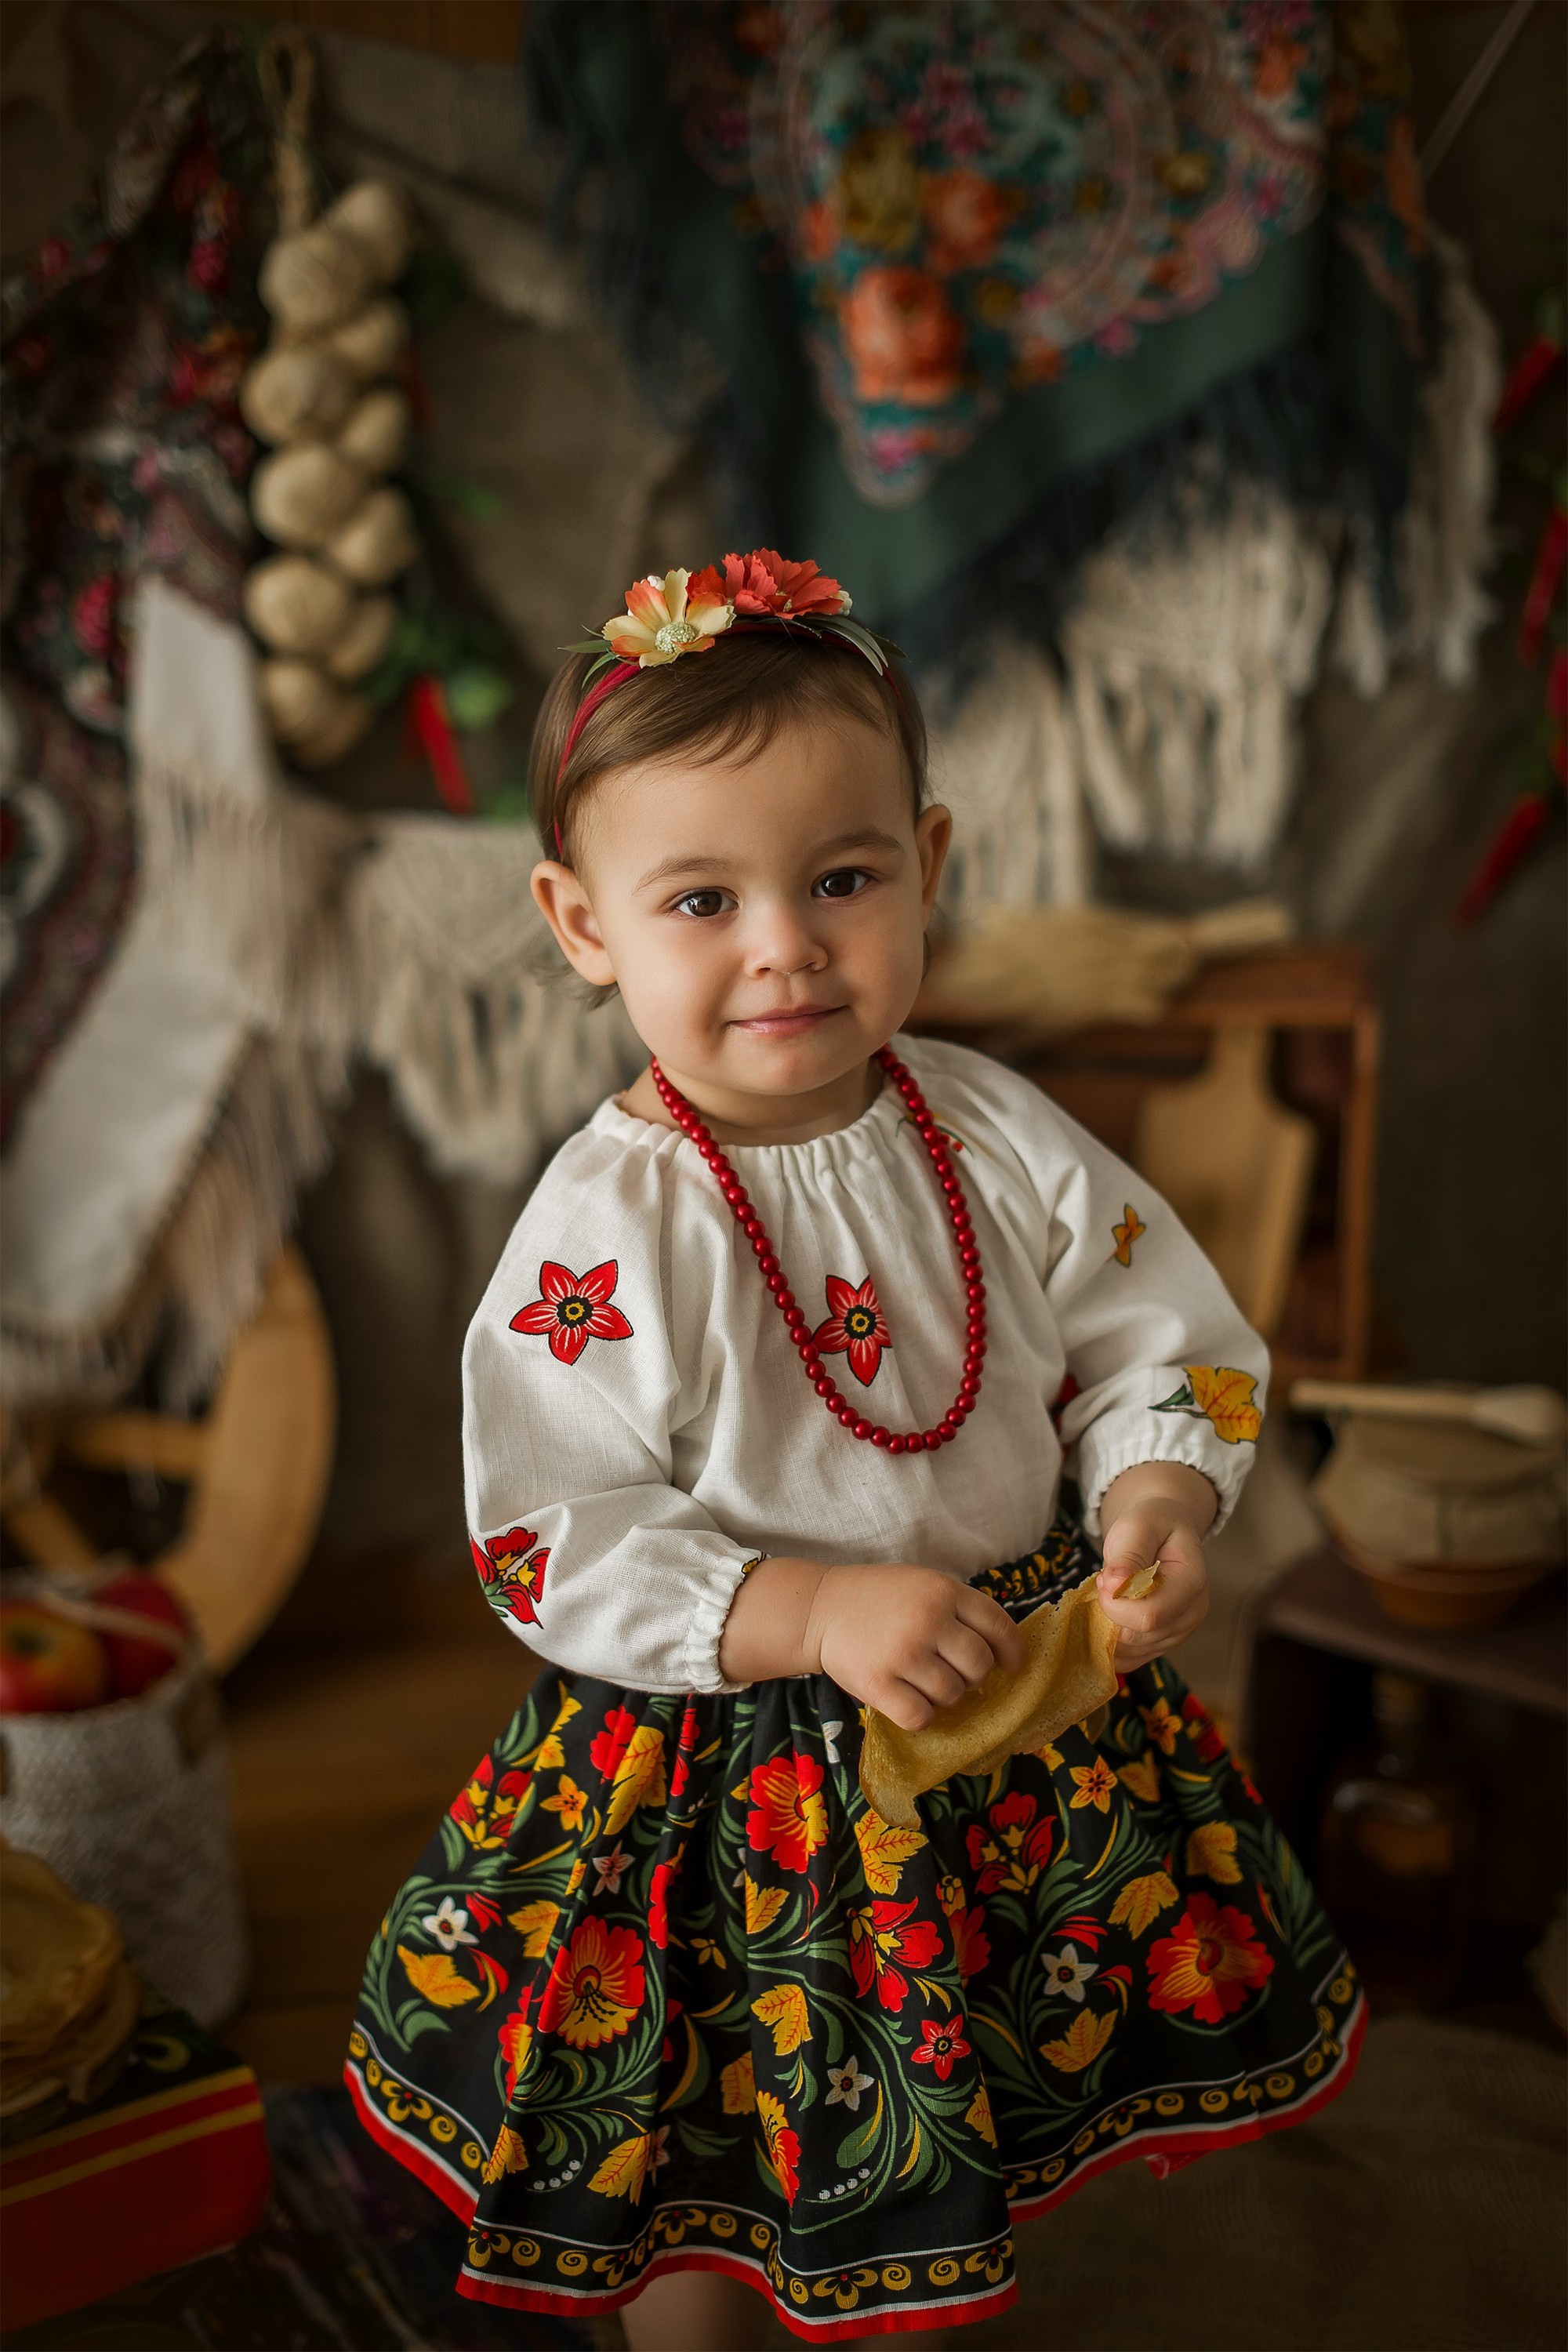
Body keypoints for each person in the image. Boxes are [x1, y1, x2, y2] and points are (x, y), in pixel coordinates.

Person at [347, 553, 1363, 2350]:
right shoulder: (607, 1226)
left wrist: (1150, 1485)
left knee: (942, 2066)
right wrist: (802, 1605)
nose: (785, 947)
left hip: (1002, 1706)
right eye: (700, 899)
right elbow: (544, 1530)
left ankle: (899, 2254)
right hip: (729, 1777)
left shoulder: (992, 1130)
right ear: (584, 928)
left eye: (840, 878)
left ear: (929, 868)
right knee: (707, 2121)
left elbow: (1157, 1331)